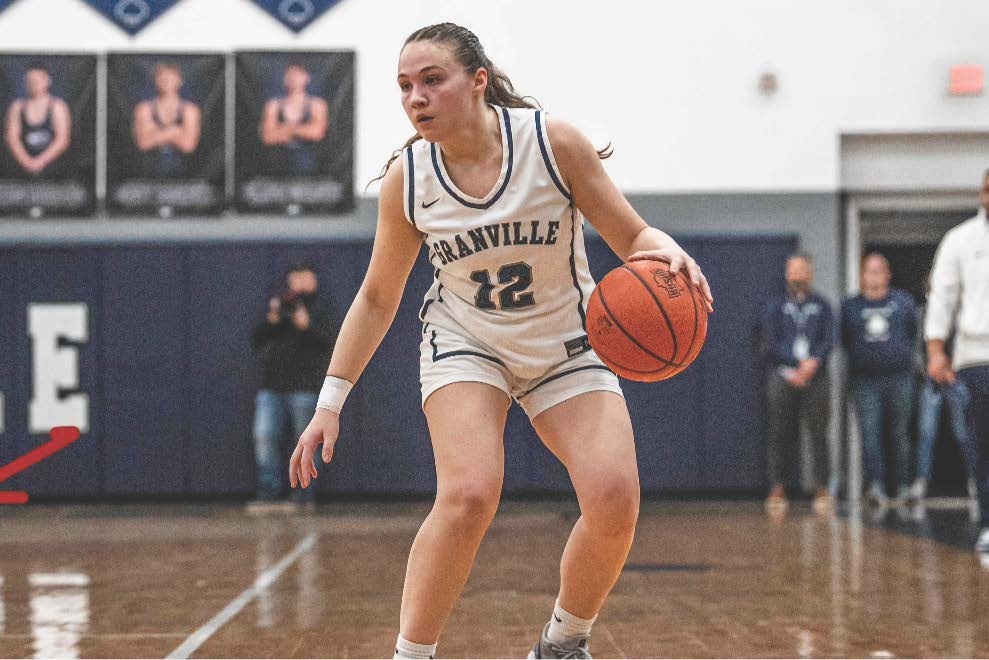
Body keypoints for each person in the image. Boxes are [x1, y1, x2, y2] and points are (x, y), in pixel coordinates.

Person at [287, 22, 713, 660]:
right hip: (467, 340)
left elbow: (633, 237)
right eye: (405, 86)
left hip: (564, 339)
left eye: (433, 80)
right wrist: (330, 400)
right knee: (468, 493)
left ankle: (563, 641)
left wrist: (667, 251)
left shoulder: (552, 145)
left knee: (615, 497)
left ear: (479, 80)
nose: (416, 97)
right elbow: (378, 297)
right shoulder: (411, 178)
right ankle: (412, 655)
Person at [925, 169, 989, 553]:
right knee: (983, 446)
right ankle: (988, 522)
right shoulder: (960, 240)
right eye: (985, 188)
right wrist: (936, 350)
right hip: (977, 357)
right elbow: (942, 299)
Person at [249, 264, 337, 513]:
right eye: (295, 278)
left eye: (304, 277)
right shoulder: (279, 304)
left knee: (306, 441)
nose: (298, 283)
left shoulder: (321, 309)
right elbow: (257, 338)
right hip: (272, 386)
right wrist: (273, 320)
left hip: (305, 387)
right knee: (265, 436)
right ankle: (269, 493)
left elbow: (330, 341)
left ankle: (304, 494)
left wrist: (306, 325)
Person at [758, 252, 834, 515]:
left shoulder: (823, 305)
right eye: (793, 270)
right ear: (787, 273)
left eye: (803, 270)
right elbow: (769, 340)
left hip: (816, 376)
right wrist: (794, 363)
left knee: (819, 433)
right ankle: (778, 487)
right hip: (783, 375)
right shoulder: (775, 306)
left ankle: (822, 487)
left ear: (810, 274)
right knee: (781, 433)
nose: (798, 275)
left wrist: (813, 363)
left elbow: (829, 339)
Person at [841, 253, 917, 505]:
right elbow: (845, 341)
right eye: (870, 271)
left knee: (900, 434)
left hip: (899, 378)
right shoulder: (850, 306)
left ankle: (903, 487)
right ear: (862, 275)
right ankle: (876, 487)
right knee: (870, 434)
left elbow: (912, 334)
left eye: (879, 270)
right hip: (865, 381)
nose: (874, 275)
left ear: (887, 274)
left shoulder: (903, 302)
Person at [132, 62, 201, 178]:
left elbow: (188, 145)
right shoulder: (144, 109)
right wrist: (175, 131)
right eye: (161, 77)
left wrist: (156, 134)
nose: (166, 80)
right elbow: (144, 143)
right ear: (155, 81)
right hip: (147, 176)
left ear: (179, 81)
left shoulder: (190, 110)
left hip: (186, 177)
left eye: (170, 76)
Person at [260, 63, 328, 175]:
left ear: (306, 77)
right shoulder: (273, 105)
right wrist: (303, 130)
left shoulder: (317, 104)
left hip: (310, 170)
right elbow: (268, 137)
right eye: (290, 75)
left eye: (298, 74)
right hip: (276, 170)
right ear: (285, 79)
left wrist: (283, 129)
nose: (294, 79)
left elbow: (317, 133)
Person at [4, 65, 71, 177]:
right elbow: (12, 138)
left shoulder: (58, 106)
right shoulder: (17, 107)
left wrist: (40, 162)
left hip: (54, 171)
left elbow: (62, 139)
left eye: (37, 80)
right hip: (22, 170)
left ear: (47, 81)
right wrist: (28, 162)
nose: (34, 84)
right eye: (30, 81)